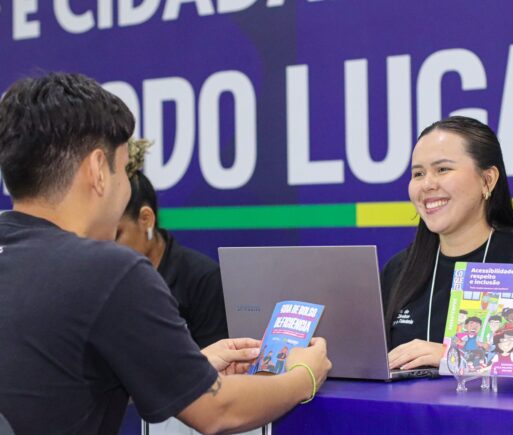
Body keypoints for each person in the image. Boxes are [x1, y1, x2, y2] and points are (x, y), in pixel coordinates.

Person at [0, 72, 331, 434]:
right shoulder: (108, 272)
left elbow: (51, 386)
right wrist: (304, 375)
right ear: (97, 169)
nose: (126, 186)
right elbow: (218, 411)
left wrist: (177, 370)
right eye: (124, 170)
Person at [381, 116, 513, 376]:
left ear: (488, 180)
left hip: (503, 418)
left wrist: (450, 357)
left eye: (443, 169)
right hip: (407, 417)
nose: (427, 184)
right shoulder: (399, 269)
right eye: (418, 173)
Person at [116, 138, 227, 348]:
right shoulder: (101, 280)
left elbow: (218, 371)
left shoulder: (202, 279)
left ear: (146, 219)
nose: (105, 246)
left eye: (116, 235)